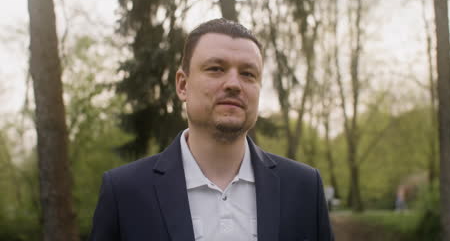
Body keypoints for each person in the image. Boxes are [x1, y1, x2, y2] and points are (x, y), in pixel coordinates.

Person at [89, 18, 334, 241]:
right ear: (183, 85)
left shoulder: (304, 188)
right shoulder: (124, 192)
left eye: (248, 74)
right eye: (216, 69)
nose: (233, 84)